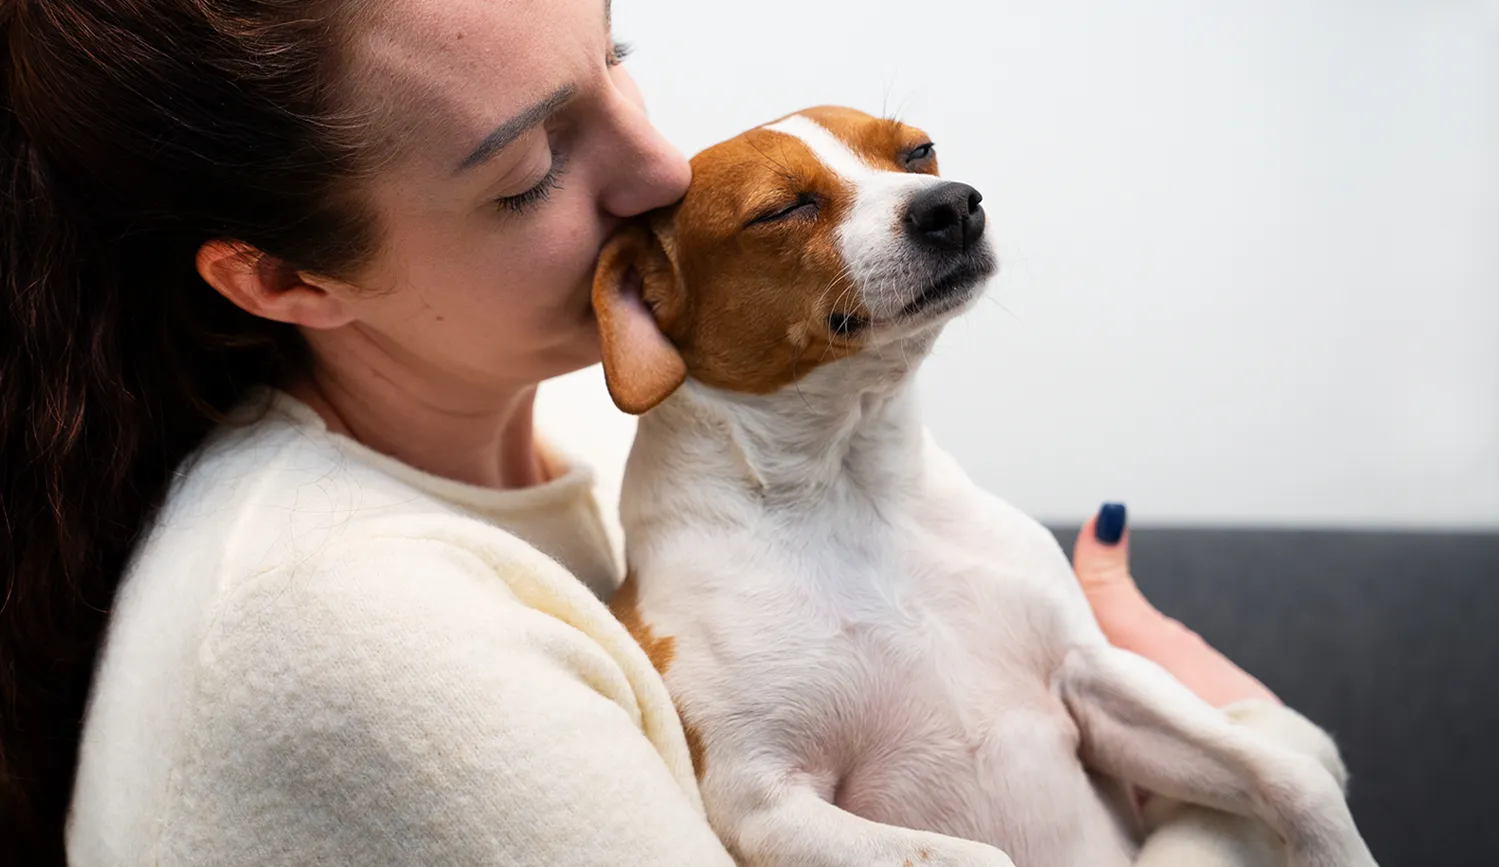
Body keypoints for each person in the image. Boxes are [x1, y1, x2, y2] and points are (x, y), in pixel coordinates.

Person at [0, 1, 1348, 865]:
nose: (660, 170)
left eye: (615, 65)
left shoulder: (606, 443)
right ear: (286, 279)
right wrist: (1253, 764)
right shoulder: (338, 630)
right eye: (529, 167)